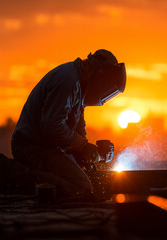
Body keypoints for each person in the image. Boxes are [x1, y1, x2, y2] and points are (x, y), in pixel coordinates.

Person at [10, 49, 126, 201]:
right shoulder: (67, 81)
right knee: (81, 187)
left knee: (87, 175)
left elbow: (78, 129)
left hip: (48, 148)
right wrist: (83, 147)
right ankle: (13, 176)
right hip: (32, 147)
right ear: (99, 75)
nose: (104, 96)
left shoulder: (79, 85)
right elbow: (52, 128)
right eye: (107, 89)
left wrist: (87, 154)